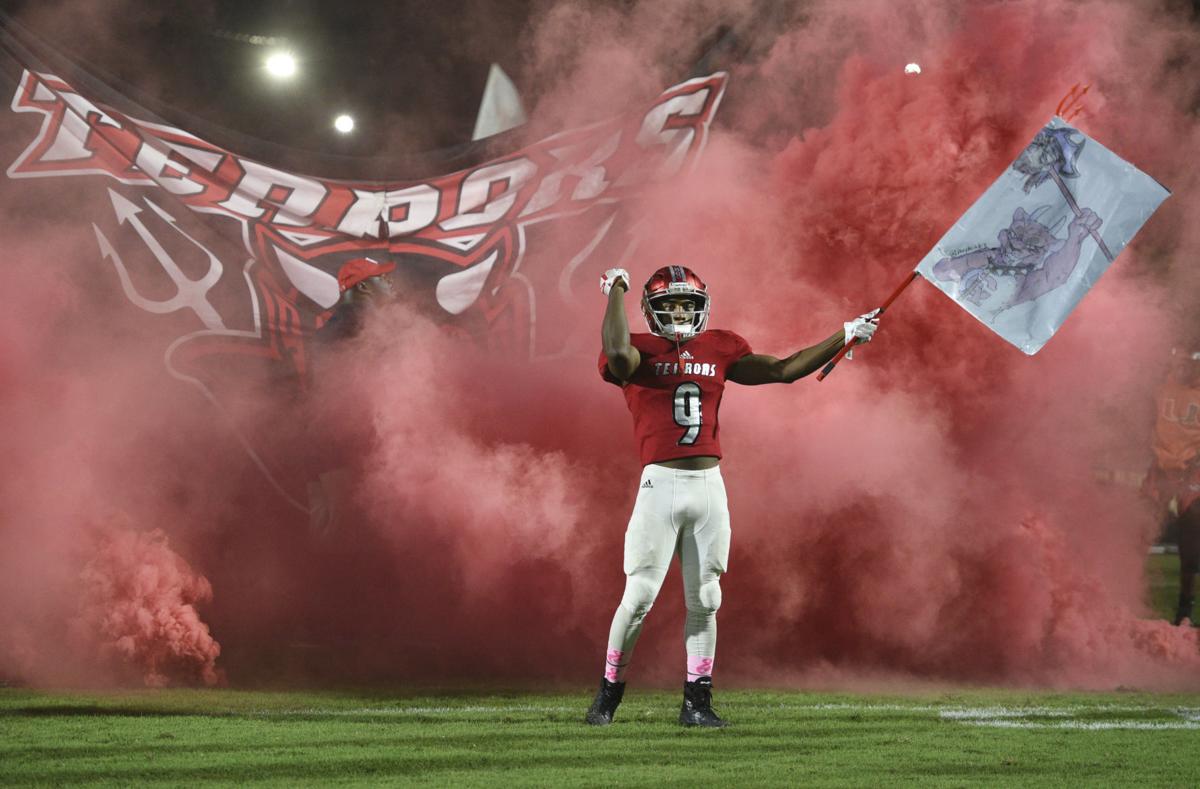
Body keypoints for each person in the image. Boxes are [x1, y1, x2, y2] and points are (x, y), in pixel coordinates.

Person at [585, 265, 880, 727]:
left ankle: (697, 704)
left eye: (687, 304)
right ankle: (607, 695)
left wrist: (842, 335)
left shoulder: (720, 346)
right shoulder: (636, 348)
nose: (680, 312)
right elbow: (618, 355)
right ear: (649, 311)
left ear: (702, 308)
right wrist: (615, 292)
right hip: (659, 484)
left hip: (709, 486)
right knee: (640, 595)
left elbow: (783, 370)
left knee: (706, 597)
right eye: (669, 305)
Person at [1143, 347, 1200, 626]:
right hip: (1162, 468)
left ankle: (1184, 613)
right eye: (1181, 362)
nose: (1185, 368)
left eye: (1191, 363)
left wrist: (1193, 468)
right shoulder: (1163, 387)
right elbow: (1148, 422)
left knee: (1190, 545)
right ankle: (1125, 597)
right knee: (1139, 534)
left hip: (1193, 472)